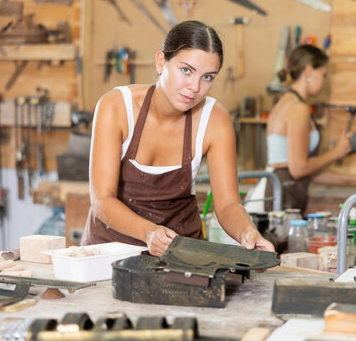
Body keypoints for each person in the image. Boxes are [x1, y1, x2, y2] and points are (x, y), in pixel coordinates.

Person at [81, 20, 274, 256]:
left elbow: (227, 205)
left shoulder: (215, 120)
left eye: (208, 77)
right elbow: (102, 200)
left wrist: (247, 232)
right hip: (109, 253)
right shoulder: (116, 106)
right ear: (161, 62)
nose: (194, 87)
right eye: (186, 70)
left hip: (180, 255)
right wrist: (148, 232)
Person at [263, 44, 356, 213]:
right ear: (308, 71)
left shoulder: (284, 103)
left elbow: (306, 171)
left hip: (281, 189)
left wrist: (355, 179)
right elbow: (299, 168)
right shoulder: (298, 109)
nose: (324, 81)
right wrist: (335, 153)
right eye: (323, 75)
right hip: (285, 195)